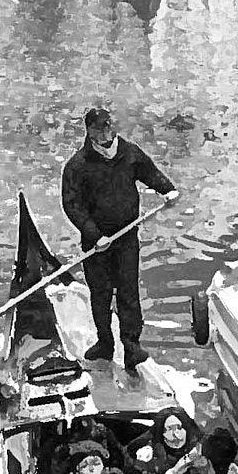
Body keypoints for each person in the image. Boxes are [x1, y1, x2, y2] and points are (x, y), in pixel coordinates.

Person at [60, 104, 177, 373]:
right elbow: (72, 205)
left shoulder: (128, 153)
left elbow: (150, 173)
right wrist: (94, 234)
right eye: (100, 128)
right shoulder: (78, 166)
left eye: (109, 126)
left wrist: (167, 190)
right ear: (89, 132)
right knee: (100, 294)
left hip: (126, 239)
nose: (106, 132)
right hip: (97, 243)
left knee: (128, 292)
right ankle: (104, 342)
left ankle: (132, 346)